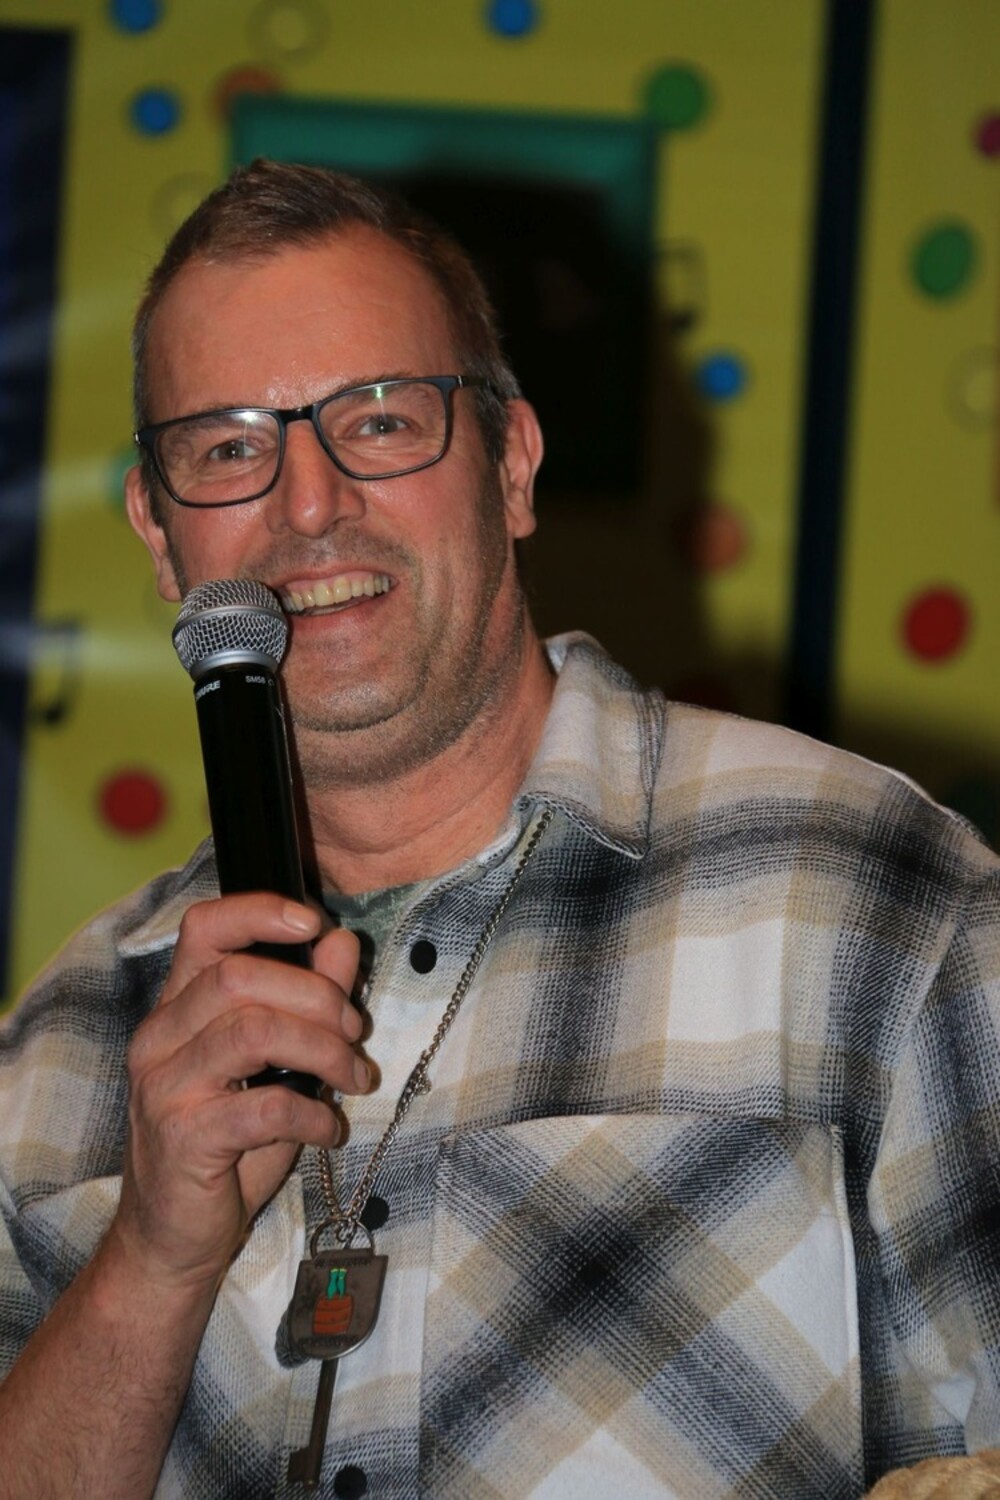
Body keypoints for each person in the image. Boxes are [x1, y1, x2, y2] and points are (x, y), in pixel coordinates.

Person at [1, 159, 999, 1500]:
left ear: (512, 466)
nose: (309, 504)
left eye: (381, 419)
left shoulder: (869, 899)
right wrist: (148, 1263)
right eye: (230, 448)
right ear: (160, 532)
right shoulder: (61, 1045)